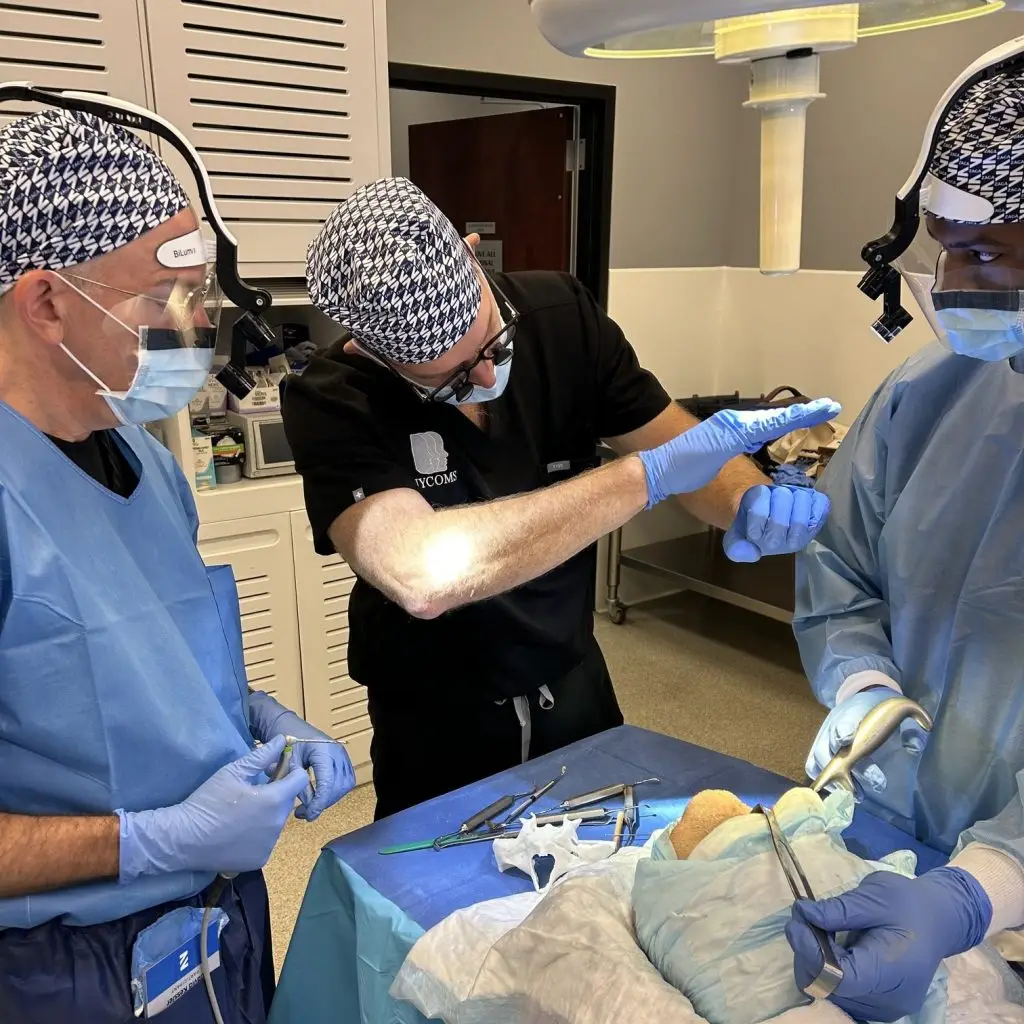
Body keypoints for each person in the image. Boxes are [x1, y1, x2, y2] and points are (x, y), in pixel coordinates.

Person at [282, 175, 839, 819]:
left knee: (606, 869)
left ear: (470, 253)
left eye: (493, 343)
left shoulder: (562, 317)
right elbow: (420, 573)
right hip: (436, 704)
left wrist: (747, 499)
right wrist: (645, 477)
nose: (488, 377)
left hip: (570, 670)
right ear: (370, 351)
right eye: (451, 379)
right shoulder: (332, 398)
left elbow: (688, 450)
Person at [0, 109, 355, 1024]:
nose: (193, 330)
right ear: (45, 303)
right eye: (161, 301)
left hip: (219, 920)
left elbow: (146, 661)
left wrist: (255, 718)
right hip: (60, 967)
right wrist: (148, 841)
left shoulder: (149, 464)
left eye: (198, 298)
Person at [787, 41, 1024, 1022]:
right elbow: (841, 566)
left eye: (977, 253)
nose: (944, 283)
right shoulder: (932, 392)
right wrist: (862, 685)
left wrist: (976, 892)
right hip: (893, 837)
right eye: (936, 248)